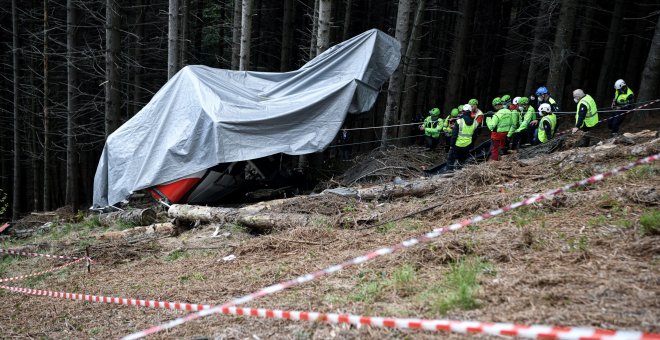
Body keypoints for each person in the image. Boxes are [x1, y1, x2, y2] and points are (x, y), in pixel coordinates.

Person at [445, 104, 477, 171]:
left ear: (463, 111)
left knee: (451, 160)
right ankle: (459, 172)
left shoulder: (459, 121)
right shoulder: (475, 122)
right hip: (467, 145)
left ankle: (448, 173)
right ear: (470, 112)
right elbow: (474, 135)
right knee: (462, 161)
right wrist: (471, 145)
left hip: (457, 145)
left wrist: (451, 145)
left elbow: (454, 135)